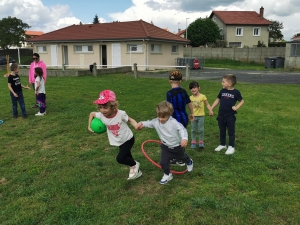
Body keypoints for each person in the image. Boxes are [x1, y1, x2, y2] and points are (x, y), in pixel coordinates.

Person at [88, 90, 142, 180]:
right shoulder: (101, 115)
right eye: (100, 107)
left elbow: (130, 120)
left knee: (120, 158)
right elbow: (91, 114)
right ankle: (137, 171)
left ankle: (135, 164)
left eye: (105, 107)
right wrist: (89, 126)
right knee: (127, 156)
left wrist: (136, 125)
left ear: (113, 106)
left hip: (127, 138)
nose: (102, 110)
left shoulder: (120, 114)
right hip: (118, 140)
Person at [136, 101, 193, 185]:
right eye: (158, 116)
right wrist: (142, 123)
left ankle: (189, 162)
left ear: (169, 115)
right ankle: (167, 174)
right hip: (165, 146)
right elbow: (149, 123)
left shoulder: (173, 122)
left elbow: (182, 129)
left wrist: (184, 139)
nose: (160, 119)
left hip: (177, 146)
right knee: (163, 162)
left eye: (163, 117)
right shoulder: (156, 121)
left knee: (182, 157)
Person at [211, 74, 244, 155]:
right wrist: (211, 108)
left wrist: (236, 107)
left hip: (230, 116)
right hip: (221, 115)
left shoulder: (236, 92)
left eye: (223, 82)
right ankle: (222, 144)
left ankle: (231, 146)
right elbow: (218, 99)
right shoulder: (222, 91)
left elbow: (242, 101)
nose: (221, 83)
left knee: (231, 131)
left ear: (229, 84)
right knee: (222, 130)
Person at [166, 70, 194, 166]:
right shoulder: (183, 92)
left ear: (170, 81)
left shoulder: (169, 94)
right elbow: (189, 103)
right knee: (182, 137)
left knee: (175, 139)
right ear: (181, 81)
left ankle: (180, 158)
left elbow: (168, 108)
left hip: (174, 120)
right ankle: (177, 157)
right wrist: (192, 113)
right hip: (183, 119)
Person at [189, 81, 213, 148]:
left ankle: (201, 141)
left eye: (194, 88)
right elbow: (189, 106)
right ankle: (193, 141)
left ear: (198, 88)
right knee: (193, 129)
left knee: (201, 129)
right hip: (193, 116)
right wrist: (190, 114)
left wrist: (210, 110)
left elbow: (207, 104)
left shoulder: (203, 96)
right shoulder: (190, 98)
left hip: (201, 116)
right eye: (191, 88)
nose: (193, 89)